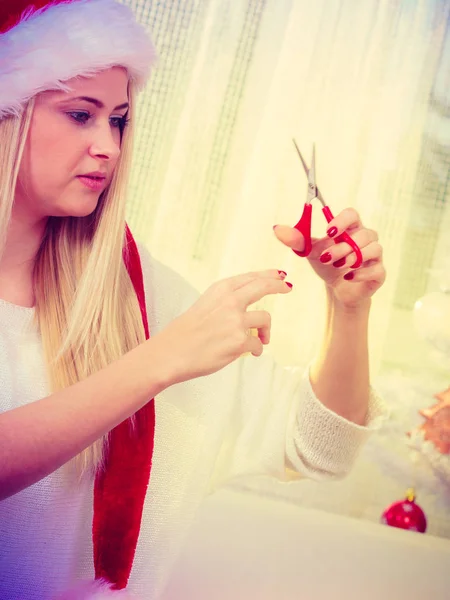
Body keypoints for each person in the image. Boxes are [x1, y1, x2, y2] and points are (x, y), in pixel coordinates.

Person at [0, 0, 388, 598]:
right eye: (80, 114)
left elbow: (322, 447)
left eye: (120, 120)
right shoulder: (164, 338)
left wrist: (350, 307)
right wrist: (158, 360)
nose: (108, 145)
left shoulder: (135, 291)